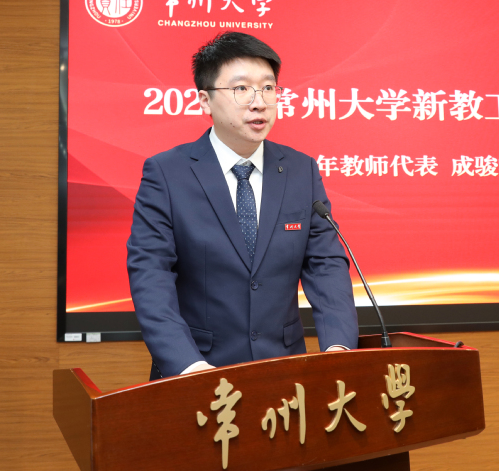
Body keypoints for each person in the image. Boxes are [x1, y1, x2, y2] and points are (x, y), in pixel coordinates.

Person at [127, 32, 358, 380]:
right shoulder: (167, 173)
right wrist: (188, 366)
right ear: (205, 101)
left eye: (268, 88)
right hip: (196, 374)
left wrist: (338, 348)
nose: (259, 102)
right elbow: (151, 274)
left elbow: (325, 264)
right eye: (241, 88)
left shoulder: (301, 170)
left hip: (285, 375)